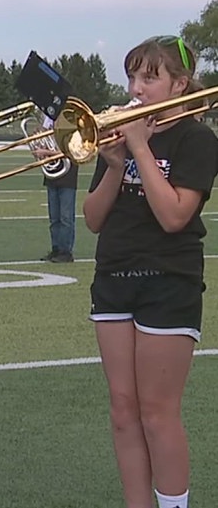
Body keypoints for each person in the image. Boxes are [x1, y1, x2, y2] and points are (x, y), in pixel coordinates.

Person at [82, 36, 216, 508]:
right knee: (123, 410)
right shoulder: (122, 136)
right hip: (114, 275)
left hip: (168, 280)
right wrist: (116, 164)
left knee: (158, 412)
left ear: (179, 84)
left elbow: (175, 215)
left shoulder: (197, 139)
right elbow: (94, 219)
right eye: (133, 77)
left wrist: (140, 148)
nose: (136, 89)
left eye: (149, 78)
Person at [33, 115, 79, 263]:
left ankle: (66, 252)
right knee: (54, 218)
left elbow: (70, 151)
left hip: (67, 175)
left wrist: (46, 153)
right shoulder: (48, 123)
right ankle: (56, 249)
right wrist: (39, 145)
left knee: (66, 217)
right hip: (52, 175)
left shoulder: (71, 125)